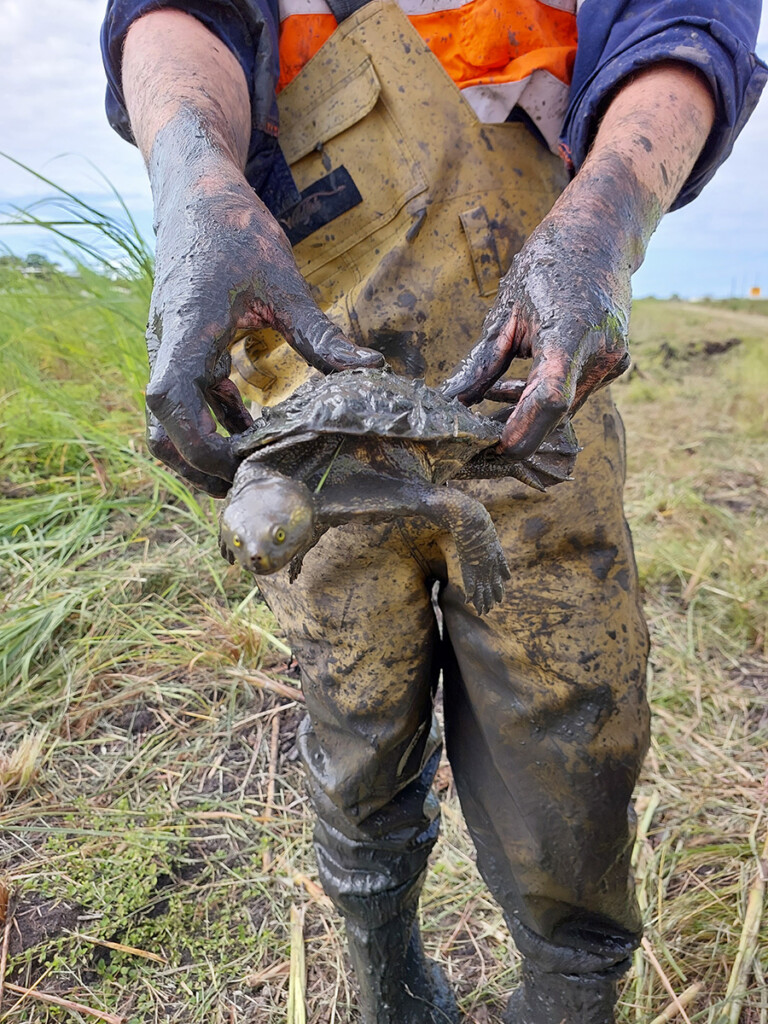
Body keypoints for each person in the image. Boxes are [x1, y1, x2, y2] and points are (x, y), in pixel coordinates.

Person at [101, 2, 765, 1021]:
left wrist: (609, 217)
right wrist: (195, 183)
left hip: (527, 315)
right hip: (303, 284)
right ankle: (389, 981)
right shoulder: (281, 487)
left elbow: (681, 19)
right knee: (356, 727)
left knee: (572, 718)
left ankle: (569, 988)